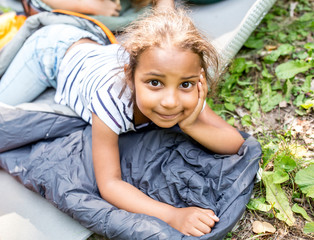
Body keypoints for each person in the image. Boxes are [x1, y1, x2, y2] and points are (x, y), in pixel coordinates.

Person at [0, 0, 244, 236]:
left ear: (199, 78)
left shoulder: (185, 94)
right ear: (130, 75)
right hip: (50, 51)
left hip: (92, 51)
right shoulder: (112, 98)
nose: (170, 101)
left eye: (186, 84)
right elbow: (110, 185)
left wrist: (190, 123)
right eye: (155, 83)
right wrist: (172, 215)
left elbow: (235, 143)